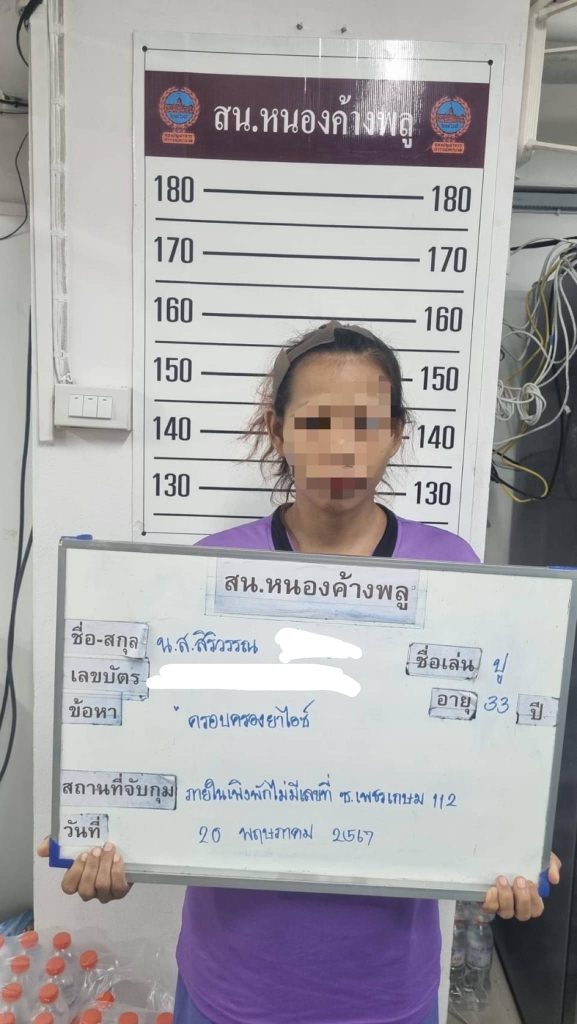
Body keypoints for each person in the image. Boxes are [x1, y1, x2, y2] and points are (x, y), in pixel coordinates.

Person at [38, 322, 562, 1024]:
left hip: (386, 989)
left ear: (396, 434)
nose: (341, 446)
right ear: (277, 431)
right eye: (315, 422)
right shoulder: (209, 570)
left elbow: (488, 750)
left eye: (365, 423)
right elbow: (166, 744)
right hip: (232, 984)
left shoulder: (453, 571)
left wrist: (514, 843)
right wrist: (111, 840)